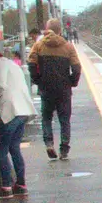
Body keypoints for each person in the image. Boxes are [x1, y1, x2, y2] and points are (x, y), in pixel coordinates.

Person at [0, 47, 33, 196]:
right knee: (14, 148)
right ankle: (21, 184)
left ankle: (6, 186)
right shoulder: (13, 65)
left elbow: (1, 85)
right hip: (23, 111)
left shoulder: (0, 63)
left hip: (10, 112)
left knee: (1, 150)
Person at [28, 21, 81, 160]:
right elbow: (76, 68)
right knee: (64, 119)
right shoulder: (68, 47)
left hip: (46, 88)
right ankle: (64, 149)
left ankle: (49, 143)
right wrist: (72, 82)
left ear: (47, 29)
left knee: (46, 118)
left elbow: (31, 63)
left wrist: (37, 80)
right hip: (63, 89)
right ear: (59, 30)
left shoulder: (38, 45)